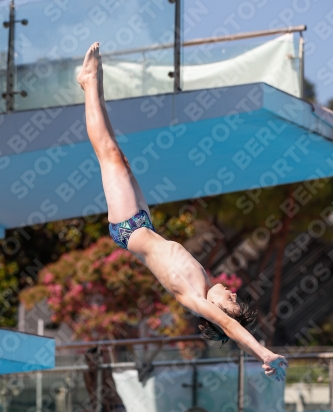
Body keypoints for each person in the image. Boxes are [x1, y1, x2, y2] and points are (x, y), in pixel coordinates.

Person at [77, 42, 288, 382]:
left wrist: (263, 353)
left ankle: (89, 81)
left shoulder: (196, 300)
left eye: (232, 301)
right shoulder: (203, 284)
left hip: (128, 229)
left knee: (108, 153)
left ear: (219, 313)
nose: (233, 292)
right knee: (117, 155)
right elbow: (229, 320)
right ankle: (92, 85)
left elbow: (230, 327)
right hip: (142, 222)